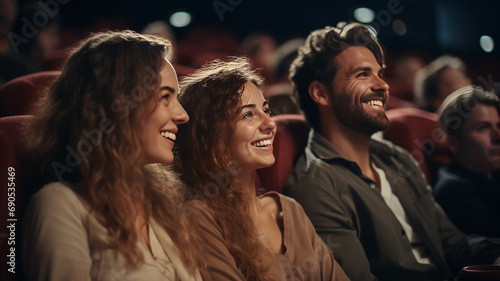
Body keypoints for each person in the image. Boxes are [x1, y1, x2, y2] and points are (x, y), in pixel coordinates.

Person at [284, 23, 500, 281]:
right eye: (363, 74)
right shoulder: (315, 186)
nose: (383, 86)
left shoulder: (398, 159)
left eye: (380, 73)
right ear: (321, 93)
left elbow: (454, 244)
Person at [22, 30, 204, 281]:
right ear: (117, 105)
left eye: (177, 98)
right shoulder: (59, 205)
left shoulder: (163, 205)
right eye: (165, 97)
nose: (183, 115)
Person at [175, 57, 350, 281]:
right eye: (248, 115)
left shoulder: (290, 210)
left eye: (266, 111)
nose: (270, 124)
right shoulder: (199, 217)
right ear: (211, 136)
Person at [434, 85, 500, 237]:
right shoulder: (453, 191)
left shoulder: (491, 175)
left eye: (498, 126)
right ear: (453, 143)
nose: (498, 136)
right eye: (483, 127)